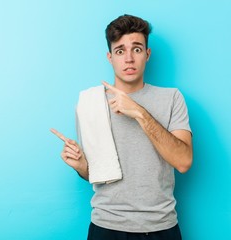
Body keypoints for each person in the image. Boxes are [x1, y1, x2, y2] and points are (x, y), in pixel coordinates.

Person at [50, 14, 193, 240]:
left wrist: (139, 112)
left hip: (161, 227)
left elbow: (184, 161)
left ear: (147, 54)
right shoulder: (90, 102)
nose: (128, 58)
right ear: (110, 57)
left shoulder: (172, 98)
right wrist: (81, 166)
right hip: (106, 227)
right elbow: (96, 173)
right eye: (120, 51)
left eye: (136, 49)